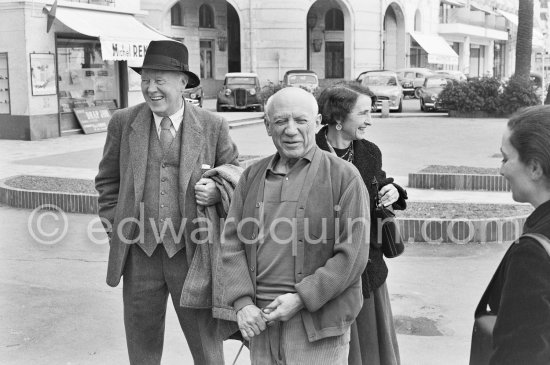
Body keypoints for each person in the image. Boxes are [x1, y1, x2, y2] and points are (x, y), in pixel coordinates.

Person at [95, 40, 239, 365]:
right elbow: (107, 183)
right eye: (146, 79)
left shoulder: (213, 126)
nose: (150, 88)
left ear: (183, 83)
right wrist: (117, 230)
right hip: (139, 255)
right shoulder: (123, 121)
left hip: (192, 255)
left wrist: (217, 191)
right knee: (142, 350)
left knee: (207, 349)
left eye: (160, 80)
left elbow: (234, 174)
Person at [214, 87, 371, 364]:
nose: (290, 130)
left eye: (300, 120)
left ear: (317, 121)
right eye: (280, 121)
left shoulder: (344, 176)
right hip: (260, 321)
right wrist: (243, 304)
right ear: (266, 125)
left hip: (317, 325)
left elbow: (353, 257)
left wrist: (301, 297)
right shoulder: (252, 175)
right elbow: (232, 243)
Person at [316, 84, 407, 365]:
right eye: (364, 113)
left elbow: (378, 182)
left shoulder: (368, 151)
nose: (370, 120)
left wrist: (394, 191)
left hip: (368, 268)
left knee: (370, 348)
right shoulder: (310, 152)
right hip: (326, 270)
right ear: (339, 118)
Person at [481, 105, 550, 364]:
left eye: (505, 158)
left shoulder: (533, 252)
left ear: (534, 168)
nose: (501, 170)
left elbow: (519, 351)